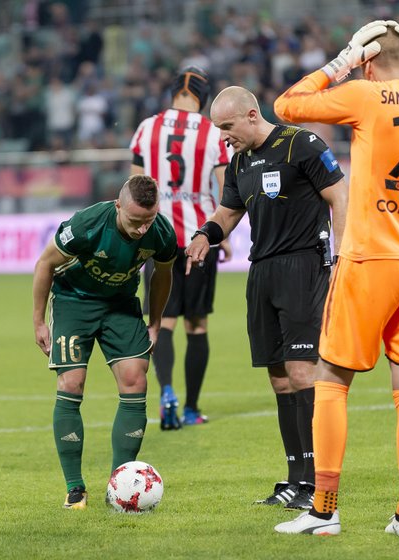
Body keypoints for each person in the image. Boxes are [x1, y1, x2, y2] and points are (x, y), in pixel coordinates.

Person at [271, 21, 399, 536]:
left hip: (373, 257)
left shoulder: (364, 93)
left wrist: (343, 61)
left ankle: (325, 511)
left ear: (368, 59)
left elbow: (288, 105)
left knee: (332, 382)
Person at [185, 86, 348, 511]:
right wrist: (206, 233)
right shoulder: (240, 161)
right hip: (263, 271)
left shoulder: (301, 144)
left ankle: (315, 482)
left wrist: (342, 255)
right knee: (278, 377)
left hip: (304, 267)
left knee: (300, 371)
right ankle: (295, 478)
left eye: (227, 126)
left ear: (252, 115)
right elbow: (229, 213)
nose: (223, 136)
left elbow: (340, 196)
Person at [32, 174, 177, 510]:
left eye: (149, 219)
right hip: (74, 301)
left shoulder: (162, 232)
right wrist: (39, 321)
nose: (143, 228)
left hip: (121, 307)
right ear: (118, 207)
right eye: (135, 220)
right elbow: (45, 265)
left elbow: (163, 274)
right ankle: (74, 488)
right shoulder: (87, 225)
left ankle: (119, 484)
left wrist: (155, 323)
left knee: (135, 379)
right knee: (72, 382)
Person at [129, 66, 234, 429]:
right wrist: (226, 236)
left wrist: (134, 232)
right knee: (197, 324)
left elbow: (133, 188)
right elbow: (226, 188)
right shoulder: (213, 132)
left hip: (157, 238)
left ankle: (166, 392)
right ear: (204, 98)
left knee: (161, 321)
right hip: (199, 238)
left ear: (173, 93)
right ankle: (190, 408)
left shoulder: (148, 128)